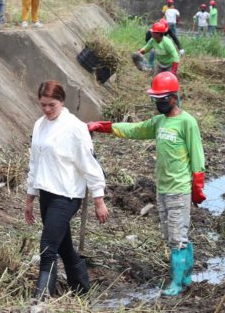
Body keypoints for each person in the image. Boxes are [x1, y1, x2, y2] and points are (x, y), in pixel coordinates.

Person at [88, 72, 206, 296]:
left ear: (173, 98)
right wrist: (104, 127)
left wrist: (197, 189)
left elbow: (198, 158)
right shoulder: (159, 122)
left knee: (176, 236)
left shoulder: (187, 122)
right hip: (162, 189)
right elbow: (135, 129)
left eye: (161, 100)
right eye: (155, 100)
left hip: (179, 189)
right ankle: (186, 275)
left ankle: (179, 284)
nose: (158, 104)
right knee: (170, 233)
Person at [24, 81, 109, 299]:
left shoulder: (74, 127)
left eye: (51, 105)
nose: (47, 110)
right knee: (63, 247)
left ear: (61, 101)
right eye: (43, 105)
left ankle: (42, 299)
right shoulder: (39, 125)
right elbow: (35, 162)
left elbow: (89, 165)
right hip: (47, 193)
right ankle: (82, 290)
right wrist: (30, 197)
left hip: (67, 196)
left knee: (47, 247)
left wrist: (99, 200)